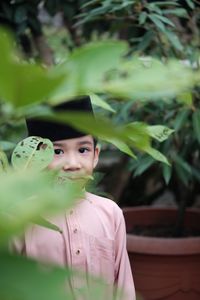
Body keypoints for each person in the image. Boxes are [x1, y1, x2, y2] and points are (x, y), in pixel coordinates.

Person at [12, 96, 136, 300]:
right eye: (58, 151)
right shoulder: (20, 218)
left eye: (83, 150)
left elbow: (123, 287)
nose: (72, 163)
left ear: (95, 155)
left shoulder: (110, 213)